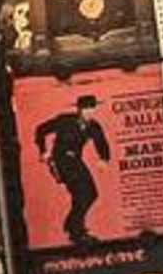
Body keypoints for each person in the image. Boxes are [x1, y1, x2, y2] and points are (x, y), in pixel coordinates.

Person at [36, 88, 115, 248]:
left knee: (91, 194)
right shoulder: (65, 120)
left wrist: (104, 159)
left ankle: (72, 225)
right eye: (86, 109)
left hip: (76, 162)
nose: (89, 112)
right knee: (81, 194)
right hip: (61, 161)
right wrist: (43, 151)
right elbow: (41, 130)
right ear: (79, 109)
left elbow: (102, 142)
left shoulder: (93, 126)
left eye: (92, 108)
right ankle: (76, 231)